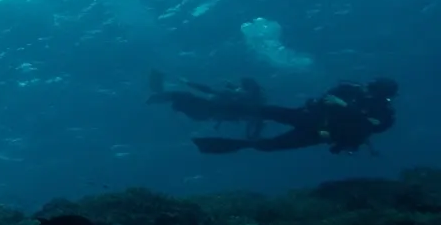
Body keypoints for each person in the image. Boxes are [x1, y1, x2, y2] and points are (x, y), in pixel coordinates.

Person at [192, 79, 398, 155]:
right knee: (268, 110)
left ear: (383, 95)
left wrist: (344, 107)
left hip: (321, 133)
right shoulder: (352, 91)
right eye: (370, 87)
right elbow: (327, 96)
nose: (367, 90)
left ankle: (232, 144)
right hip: (309, 117)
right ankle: (217, 108)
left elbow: (370, 127)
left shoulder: (384, 113)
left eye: (373, 90)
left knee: (272, 145)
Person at [149, 70, 268, 137]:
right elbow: (252, 131)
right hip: (205, 113)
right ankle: (159, 94)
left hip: (204, 110)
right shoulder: (252, 108)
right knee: (180, 98)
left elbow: (207, 93)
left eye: (242, 88)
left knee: (180, 97)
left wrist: (188, 84)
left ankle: (157, 93)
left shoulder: (237, 98)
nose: (238, 88)